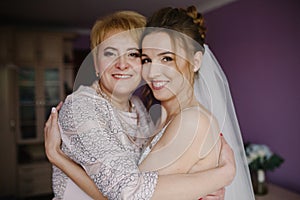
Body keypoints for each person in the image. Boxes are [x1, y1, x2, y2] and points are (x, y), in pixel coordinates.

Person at [45, 9, 237, 200]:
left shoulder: (138, 108)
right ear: (96, 64)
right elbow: (127, 192)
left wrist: (199, 189)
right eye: (110, 53)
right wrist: (221, 175)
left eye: (134, 55)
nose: (122, 64)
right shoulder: (82, 108)